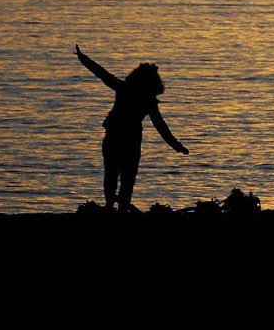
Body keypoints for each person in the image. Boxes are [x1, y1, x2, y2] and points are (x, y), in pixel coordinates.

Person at [75, 45, 189, 211]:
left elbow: (102, 74)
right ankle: (120, 208)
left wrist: (83, 59)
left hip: (116, 138)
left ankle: (110, 207)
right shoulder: (147, 100)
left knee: (111, 175)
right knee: (127, 178)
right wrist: (177, 145)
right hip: (130, 141)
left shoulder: (124, 89)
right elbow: (160, 126)